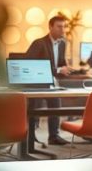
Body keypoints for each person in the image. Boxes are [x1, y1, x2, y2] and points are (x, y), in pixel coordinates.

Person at [25, 15, 74, 146]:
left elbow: (60, 63)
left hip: (52, 83)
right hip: (37, 84)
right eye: (59, 26)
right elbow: (30, 64)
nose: (62, 30)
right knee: (34, 112)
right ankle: (30, 136)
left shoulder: (63, 43)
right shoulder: (39, 43)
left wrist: (66, 67)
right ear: (50, 27)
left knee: (56, 108)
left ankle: (53, 136)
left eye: (64, 27)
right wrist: (58, 70)